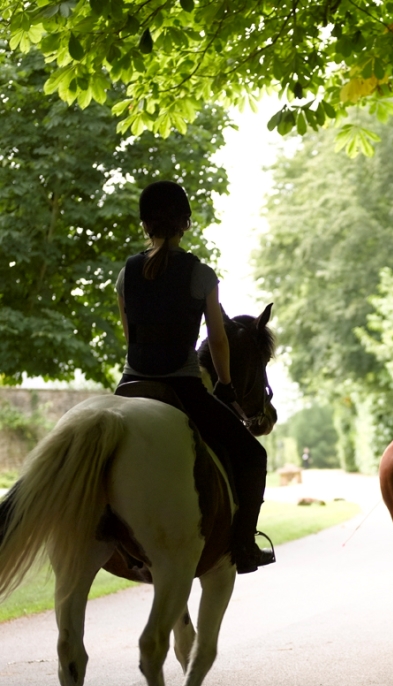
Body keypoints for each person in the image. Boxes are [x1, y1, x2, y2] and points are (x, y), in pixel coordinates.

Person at [114, 180, 275, 574]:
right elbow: (218, 341)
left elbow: (129, 336)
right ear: (184, 223)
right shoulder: (200, 274)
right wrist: (226, 385)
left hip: (129, 385)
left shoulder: (126, 273)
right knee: (253, 454)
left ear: (145, 225)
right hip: (182, 387)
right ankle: (244, 545)